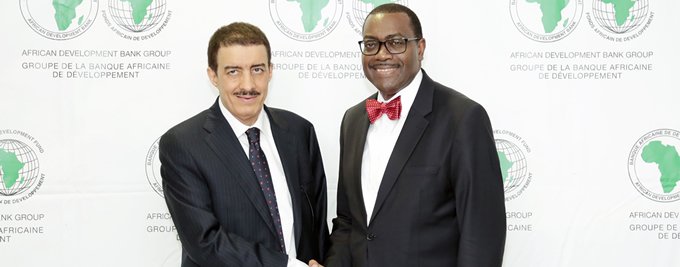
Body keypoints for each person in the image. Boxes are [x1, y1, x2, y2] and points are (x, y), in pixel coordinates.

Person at [323, 4, 506, 267]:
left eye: (396, 42)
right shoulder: (352, 120)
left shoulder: (463, 119)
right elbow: (348, 221)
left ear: (419, 48)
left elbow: (482, 233)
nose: (382, 54)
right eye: (372, 44)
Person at [159, 22, 329, 267]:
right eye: (233, 71)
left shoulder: (299, 132)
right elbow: (204, 242)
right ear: (213, 76)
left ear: (271, 71)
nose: (248, 85)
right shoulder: (183, 144)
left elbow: (316, 225)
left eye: (257, 69)